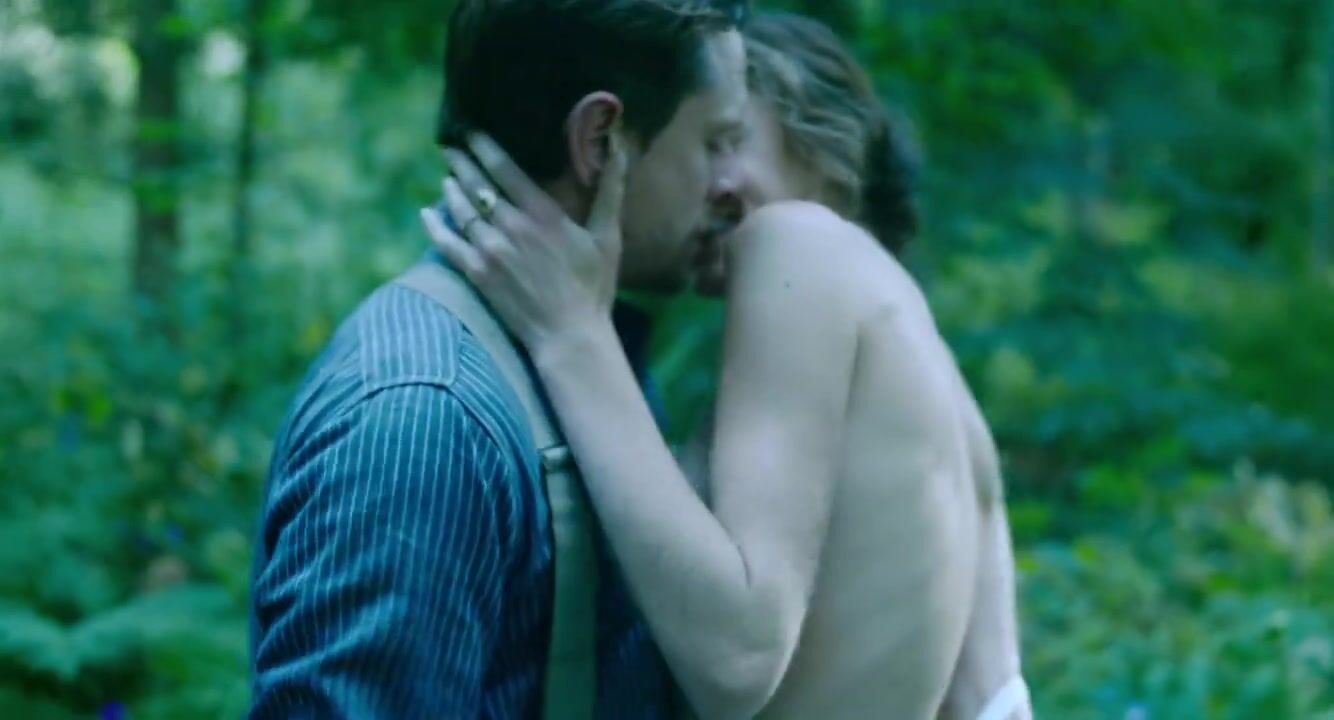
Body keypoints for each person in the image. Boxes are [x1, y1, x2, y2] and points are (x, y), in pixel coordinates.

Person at [425, 12, 1030, 720]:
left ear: (819, 134)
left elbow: (736, 658)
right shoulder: (930, 374)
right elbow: (996, 705)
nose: (707, 183)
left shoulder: (798, 244)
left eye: (727, 140)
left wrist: (571, 333)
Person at [247, 1, 752, 717]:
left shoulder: (583, 353)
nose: (735, 183)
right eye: (717, 141)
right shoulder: (423, 414)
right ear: (600, 140)